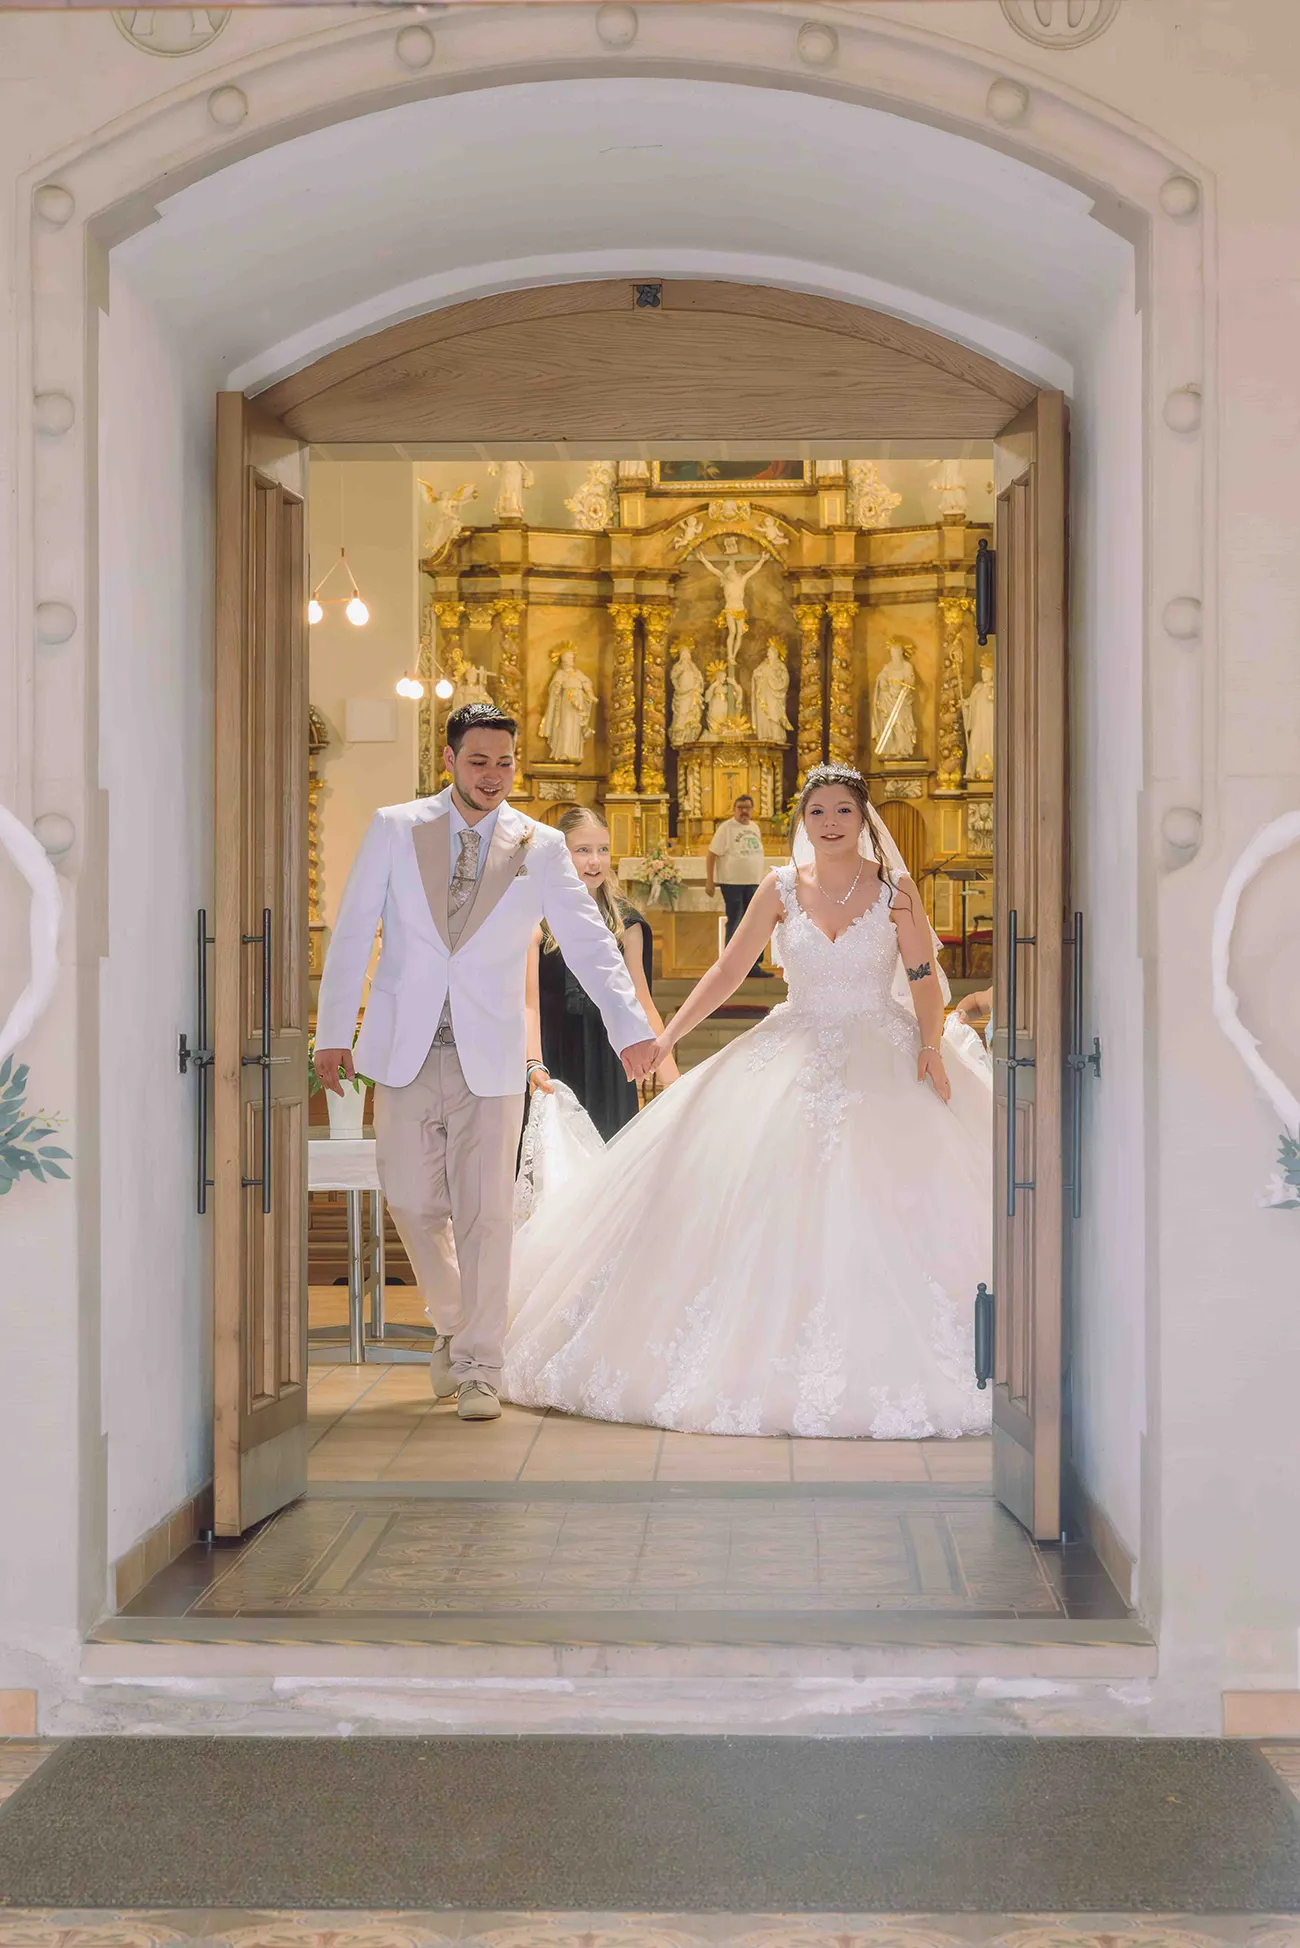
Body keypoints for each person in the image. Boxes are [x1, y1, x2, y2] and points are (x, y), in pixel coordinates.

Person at [502, 763, 991, 1441]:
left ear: (863, 817)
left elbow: (921, 978)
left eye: (842, 811)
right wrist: (664, 1035)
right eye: (816, 812)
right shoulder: (779, 887)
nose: (829, 824)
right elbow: (728, 969)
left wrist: (931, 1047)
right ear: (802, 822)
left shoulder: (895, 890)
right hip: (791, 1045)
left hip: (881, 1049)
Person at [313, 703, 656, 1422]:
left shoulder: (538, 845)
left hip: (492, 1052)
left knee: (486, 1213)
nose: (493, 776)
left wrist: (630, 1028)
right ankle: (451, 1319)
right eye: (478, 762)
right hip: (404, 1047)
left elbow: (590, 942)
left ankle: (479, 1367)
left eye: (504, 763)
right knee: (409, 1197)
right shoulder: (395, 828)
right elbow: (352, 932)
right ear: (448, 759)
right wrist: (332, 1031)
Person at [525, 806, 679, 1138]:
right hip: (554, 1054)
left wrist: (671, 1079)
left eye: (603, 850)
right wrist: (533, 1065)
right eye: (583, 850)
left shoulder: (626, 923)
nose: (595, 861)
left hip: (609, 1058)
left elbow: (642, 1002)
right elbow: (529, 1005)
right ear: (559, 854)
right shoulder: (535, 921)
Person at [706, 794, 770, 977]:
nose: (744, 811)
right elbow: (711, 854)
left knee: (755, 924)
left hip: (754, 883)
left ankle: (753, 965)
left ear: (752, 809)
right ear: (734, 809)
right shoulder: (726, 828)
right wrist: (709, 881)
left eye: (748, 807)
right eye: (741, 807)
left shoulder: (755, 827)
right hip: (732, 883)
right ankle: (731, 967)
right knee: (735, 922)